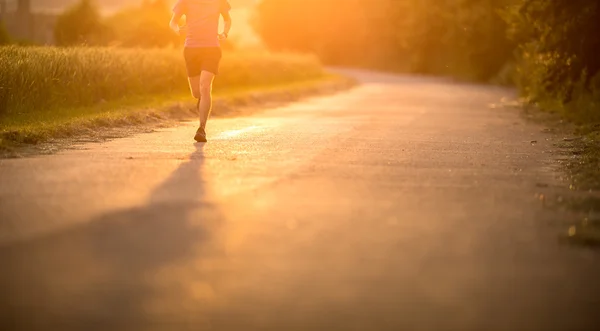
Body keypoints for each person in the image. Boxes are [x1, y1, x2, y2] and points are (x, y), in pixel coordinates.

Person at [170, 0, 232, 143]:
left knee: (205, 86)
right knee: (196, 92)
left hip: (212, 48)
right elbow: (173, 22)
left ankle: (201, 128)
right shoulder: (185, 2)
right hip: (191, 49)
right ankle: (201, 100)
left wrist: (225, 33)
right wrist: (177, 29)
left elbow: (228, 20)